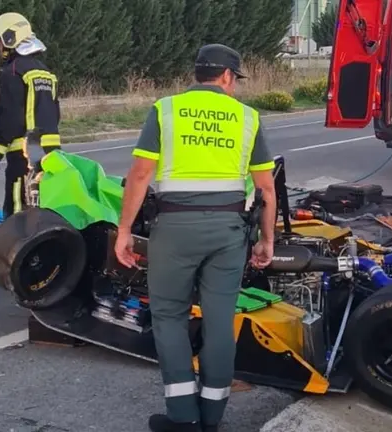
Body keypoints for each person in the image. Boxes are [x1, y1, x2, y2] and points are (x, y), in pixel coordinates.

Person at [114, 44, 277, 432]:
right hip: (228, 232)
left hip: (174, 230)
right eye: (235, 79)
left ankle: (183, 418)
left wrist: (123, 232)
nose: (234, 86)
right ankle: (212, 417)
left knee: (169, 317)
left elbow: (140, 176)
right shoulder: (247, 118)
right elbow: (266, 190)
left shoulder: (165, 110)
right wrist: (265, 240)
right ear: (225, 77)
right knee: (220, 321)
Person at [0, 12, 61, 218]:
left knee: (18, 207)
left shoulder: (12, 71)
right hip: (51, 152)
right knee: (41, 203)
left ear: (11, 38)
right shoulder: (46, 72)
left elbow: (11, 115)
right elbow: (55, 113)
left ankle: (18, 247)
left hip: (24, 153)